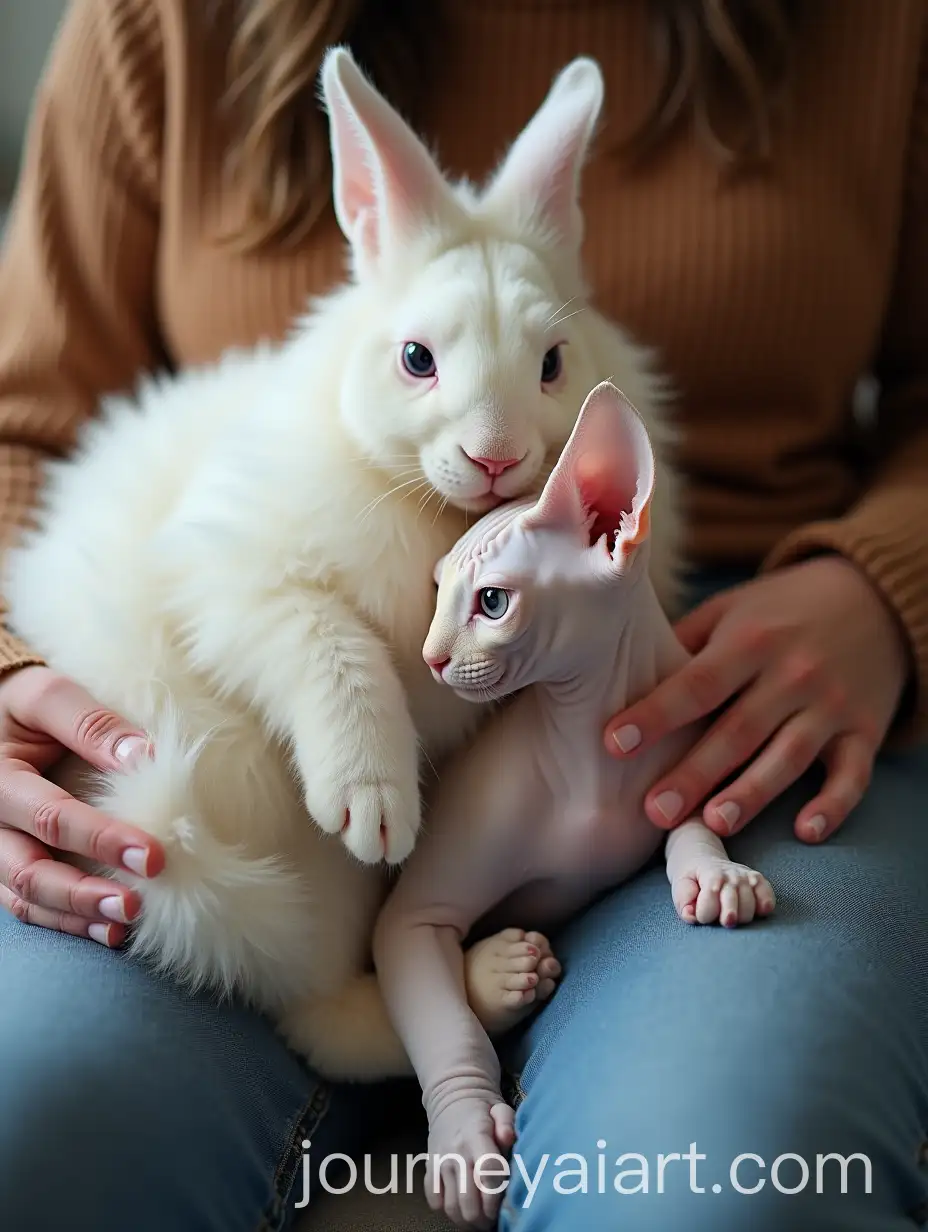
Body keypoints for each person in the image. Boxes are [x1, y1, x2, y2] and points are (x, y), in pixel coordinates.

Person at [0, 0, 926, 1228]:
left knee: (726, 1174)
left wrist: (884, 581)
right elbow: (26, 426)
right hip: (261, 716)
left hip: (714, 681)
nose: (494, 451)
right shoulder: (160, 24)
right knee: (35, 1116)